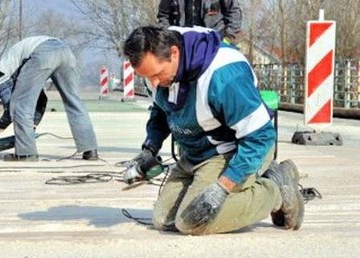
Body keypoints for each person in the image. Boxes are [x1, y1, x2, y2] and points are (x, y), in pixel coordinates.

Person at [122, 25, 304, 235]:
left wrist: (223, 187)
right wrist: (149, 149)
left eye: (157, 74)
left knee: (192, 223)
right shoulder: (159, 72)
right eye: (147, 77)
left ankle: (275, 187)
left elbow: (260, 137)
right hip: (194, 155)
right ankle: (217, 186)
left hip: (233, 152)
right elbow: (161, 111)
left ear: (174, 53)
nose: (153, 83)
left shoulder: (223, 75)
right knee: (163, 220)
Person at [0, 36, 99, 161]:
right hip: (65, 51)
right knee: (74, 101)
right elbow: (41, 100)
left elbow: (11, 111)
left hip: (42, 53)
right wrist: (32, 127)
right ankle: (90, 150)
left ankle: (26, 154)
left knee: (20, 106)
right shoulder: (15, 68)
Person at [157, 0, 242, 43]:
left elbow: (234, 12)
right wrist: (169, 38)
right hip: (184, 43)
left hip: (215, 42)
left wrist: (227, 39)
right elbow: (164, 15)